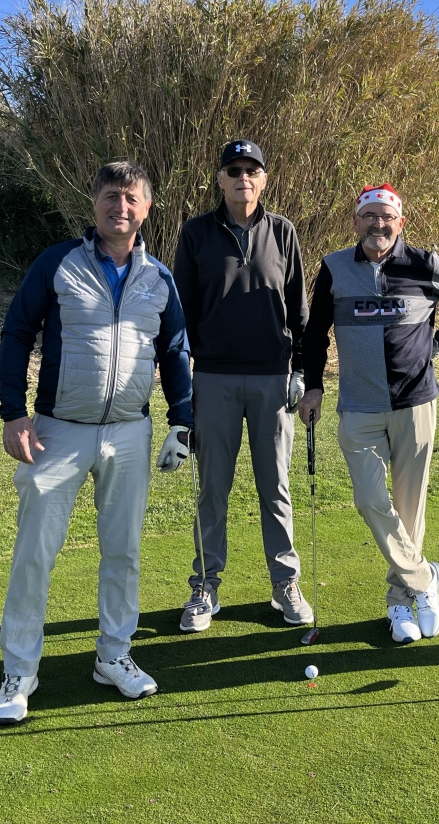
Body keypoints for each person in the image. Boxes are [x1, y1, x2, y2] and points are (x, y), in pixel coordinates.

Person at [0, 161, 193, 725]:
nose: (119, 207)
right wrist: (13, 413)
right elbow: (17, 332)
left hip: (129, 431)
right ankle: (20, 671)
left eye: (130, 198)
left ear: (146, 209)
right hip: (57, 430)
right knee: (35, 553)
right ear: (95, 203)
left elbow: (175, 350)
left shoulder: (159, 277)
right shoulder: (58, 262)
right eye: (110, 196)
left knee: (123, 551)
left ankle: (114, 656)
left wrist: (182, 419)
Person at [297, 183, 439, 644]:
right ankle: (424, 579)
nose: (378, 224)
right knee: (371, 500)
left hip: (416, 402)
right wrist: (313, 386)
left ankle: (399, 601)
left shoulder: (423, 264)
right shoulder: (334, 267)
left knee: (410, 509)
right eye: (369, 216)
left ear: (400, 223)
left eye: (387, 217)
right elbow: (315, 332)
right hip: (359, 404)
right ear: (356, 222)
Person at [172, 139, 312, 632]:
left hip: (274, 378)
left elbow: (299, 308)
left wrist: (302, 371)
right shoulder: (195, 233)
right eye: (233, 170)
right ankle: (205, 585)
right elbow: (181, 312)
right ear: (220, 178)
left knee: (276, 488)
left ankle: (285, 583)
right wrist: (182, 385)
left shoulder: (283, 231)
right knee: (213, 489)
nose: (242, 178)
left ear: (264, 180)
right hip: (214, 377)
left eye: (252, 170)